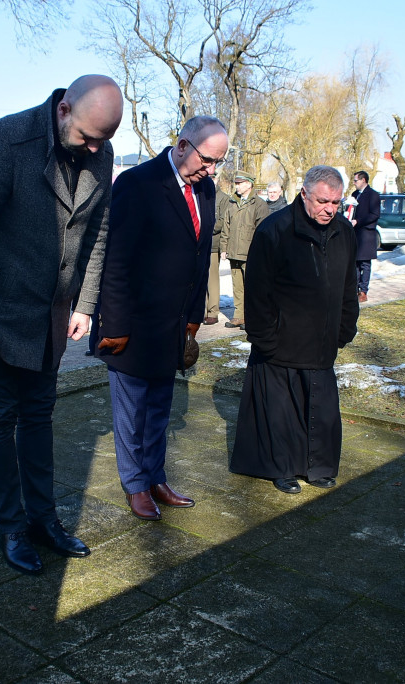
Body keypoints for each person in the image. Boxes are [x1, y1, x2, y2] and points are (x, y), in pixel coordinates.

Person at [0, 75, 123, 574]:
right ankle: (12, 526)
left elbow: (97, 232)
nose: (94, 148)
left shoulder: (99, 150)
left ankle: (44, 520)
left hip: (52, 314)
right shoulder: (5, 141)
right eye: (88, 136)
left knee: (40, 417)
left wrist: (84, 305)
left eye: (102, 141)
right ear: (63, 109)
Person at [96, 115, 227, 521]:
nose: (211, 169)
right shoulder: (138, 184)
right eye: (207, 159)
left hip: (171, 326)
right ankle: (134, 484)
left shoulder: (205, 190)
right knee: (131, 413)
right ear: (183, 145)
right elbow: (114, 261)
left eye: (218, 162)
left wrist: (192, 318)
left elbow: (199, 257)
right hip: (133, 326)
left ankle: (155, 477)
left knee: (158, 412)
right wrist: (114, 326)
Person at [229, 165, 359, 494]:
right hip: (280, 343)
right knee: (280, 413)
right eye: (323, 201)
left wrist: (345, 327)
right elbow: (257, 292)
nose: (330, 209)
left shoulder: (344, 231)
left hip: (321, 342)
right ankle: (281, 467)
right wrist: (265, 338)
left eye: (336, 202)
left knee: (322, 411)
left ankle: (318, 467)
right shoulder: (275, 229)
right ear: (304, 195)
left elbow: (348, 285)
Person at [220, 170, 270, 329]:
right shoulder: (232, 202)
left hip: (250, 253)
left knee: (252, 287)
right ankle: (239, 316)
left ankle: (251, 317)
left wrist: (258, 253)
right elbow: (226, 226)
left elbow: (262, 231)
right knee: (237, 287)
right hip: (234, 252)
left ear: (249, 184)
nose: (237, 186)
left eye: (240, 183)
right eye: (236, 183)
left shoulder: (259, 204)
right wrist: (224, 247)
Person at [204, 172, 231, 325]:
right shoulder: (202, 193)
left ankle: (213, 311)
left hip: (213, 243)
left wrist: (205, 227)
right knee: (201, 278)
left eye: (213, 177)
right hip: (200, 243)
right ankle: (202, 309)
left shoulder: (224, 198)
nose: (210, 179)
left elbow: (223, 221)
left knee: (212, 279)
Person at [351, 170, 380, 303]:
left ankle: (363, 291)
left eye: (356, 180)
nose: (354, 183)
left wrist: (358, 221)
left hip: (366, 233)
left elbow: (374, 214)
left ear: (363, 180)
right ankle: (354, 289)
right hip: (355, 233)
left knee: (365, 264)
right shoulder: (354, 195)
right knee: (354, 263)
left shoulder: (373, 195)